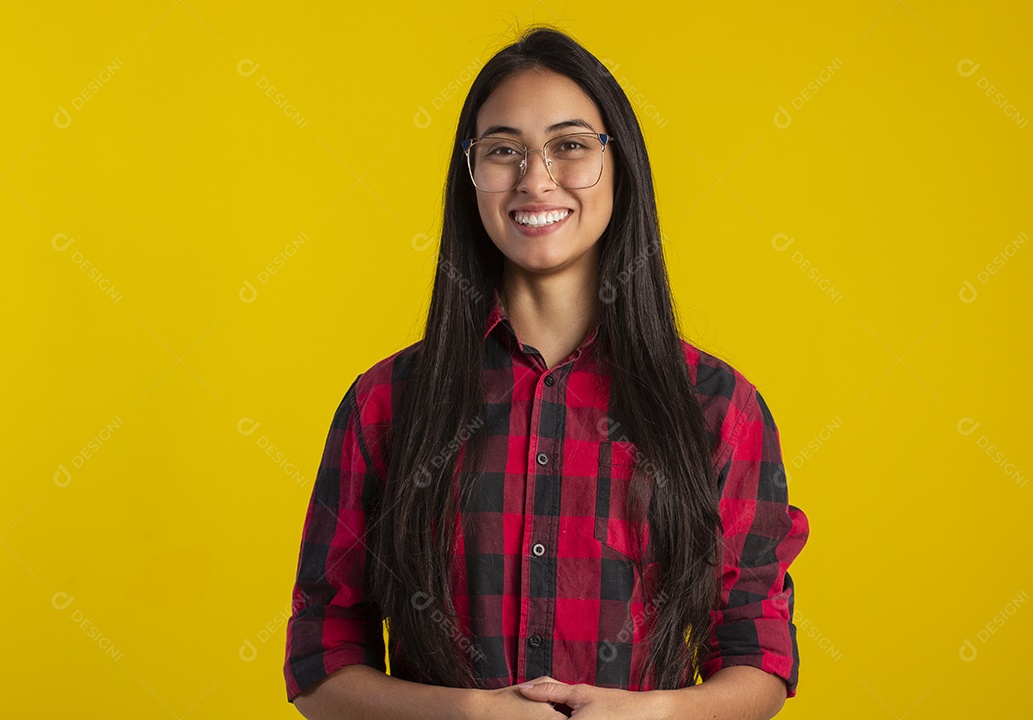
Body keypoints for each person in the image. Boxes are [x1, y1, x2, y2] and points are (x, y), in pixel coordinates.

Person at [283, 24, 809, 720]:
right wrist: (472, 714)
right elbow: (321, 661)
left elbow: (759, 656)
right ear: (470, 176)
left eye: (570, 146)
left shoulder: (719, 408)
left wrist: (650, 715)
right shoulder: (386, 403)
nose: (536, 178)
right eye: (504, 150)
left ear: (620, 166)